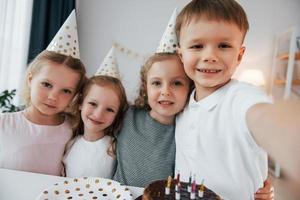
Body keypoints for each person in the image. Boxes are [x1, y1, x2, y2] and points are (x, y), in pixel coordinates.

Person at [174, 0, 300, 199]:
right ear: (181, 55)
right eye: (197, 46)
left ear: (239, 56)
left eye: (223, 45)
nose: (210, 56)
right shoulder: (181, 104)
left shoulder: (242, 97)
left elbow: (264, 118)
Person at [0, 10, 87, 176]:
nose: (53, 96)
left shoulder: (73, 130)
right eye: (46, 84)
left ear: (75, 95)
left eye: (66, 91)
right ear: (31, 80)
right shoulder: (3, 124)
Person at [113, 52, 192, 187]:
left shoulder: (185, 133)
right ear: (146, 88)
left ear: (190, 89)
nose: (165, 91)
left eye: (177, 83)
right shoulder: (127, 115)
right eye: (156, 83)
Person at [63, 47, 129, 178]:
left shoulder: (114, 147)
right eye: (93, 104)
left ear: (117, 115)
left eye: (109, 109)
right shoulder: (70, 143)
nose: (98, 114)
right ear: (81, 103)